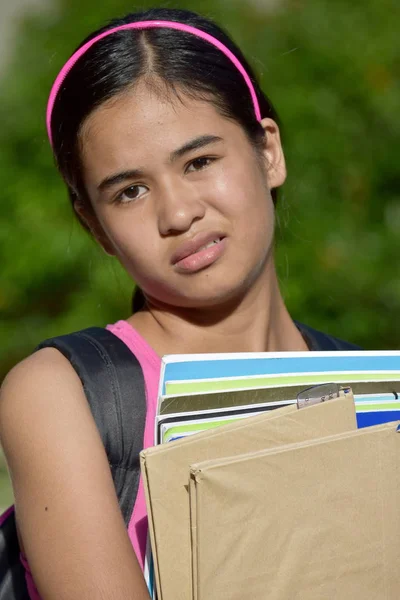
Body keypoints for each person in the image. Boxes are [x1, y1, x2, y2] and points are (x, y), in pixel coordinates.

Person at [0, 7, 360, 600]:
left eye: (199, 161)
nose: (177, 214)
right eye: (130, 191)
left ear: (268, 151)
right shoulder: (63, 395)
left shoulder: (369, 389)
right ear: (93, 225)